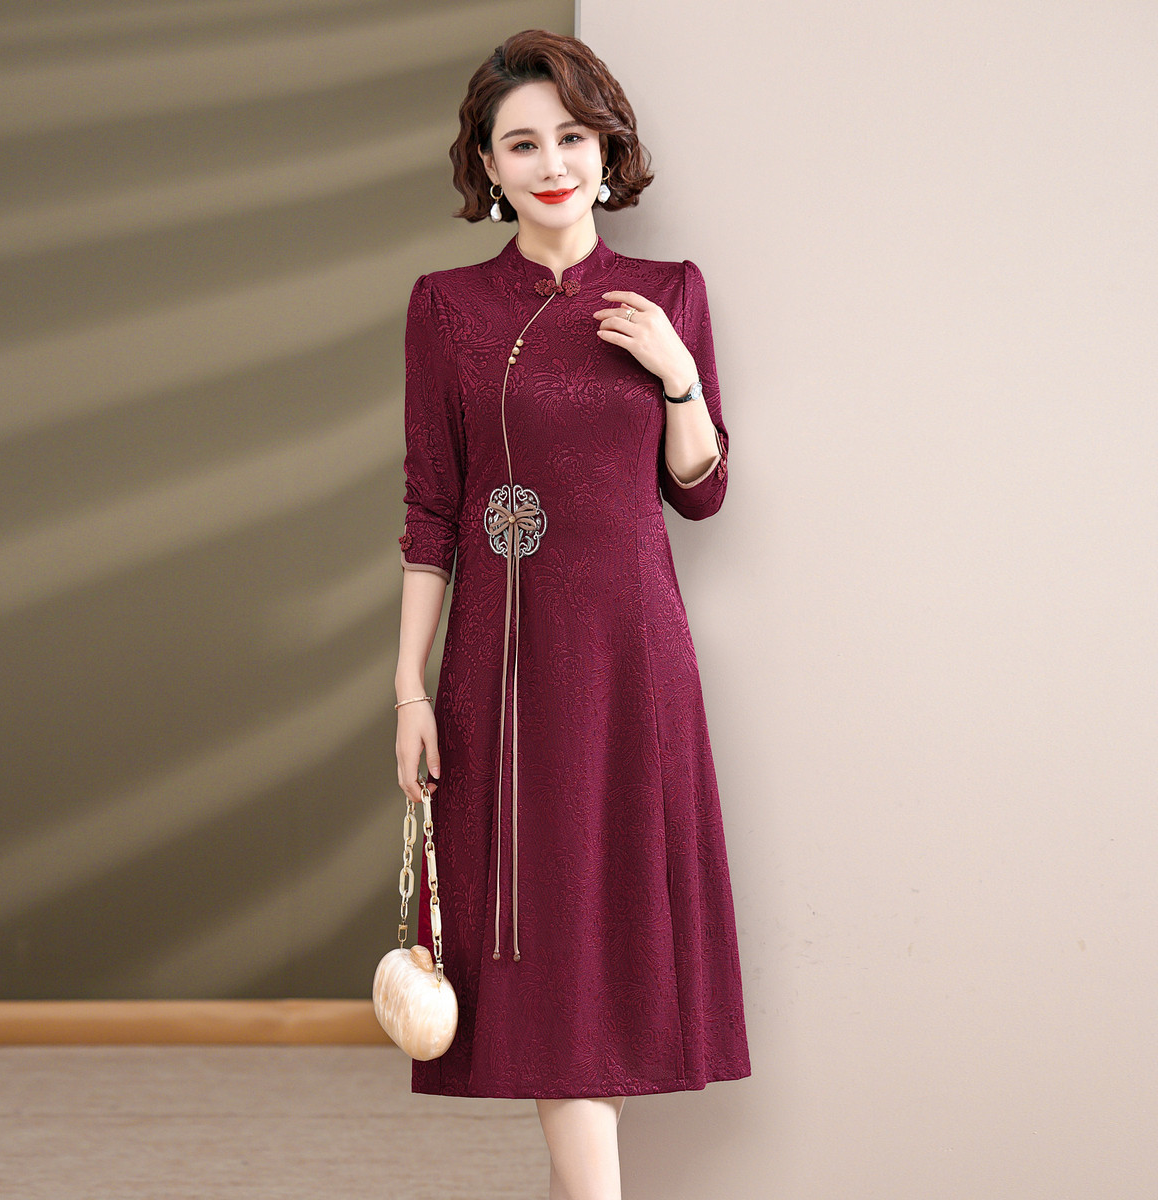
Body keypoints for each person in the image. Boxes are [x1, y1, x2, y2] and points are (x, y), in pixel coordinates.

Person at [393, 29, 750, 1200]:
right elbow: (432, 511)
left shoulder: (670, 294)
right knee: (547, 962)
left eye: (573, 137)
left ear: (608, 152)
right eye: (522, 143)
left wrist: (677, 374)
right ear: (488, 167)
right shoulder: (447, 307)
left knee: (610, 966)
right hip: (503, 670)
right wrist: (407, 691)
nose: (552, 163)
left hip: (635, 661)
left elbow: (702, 491)